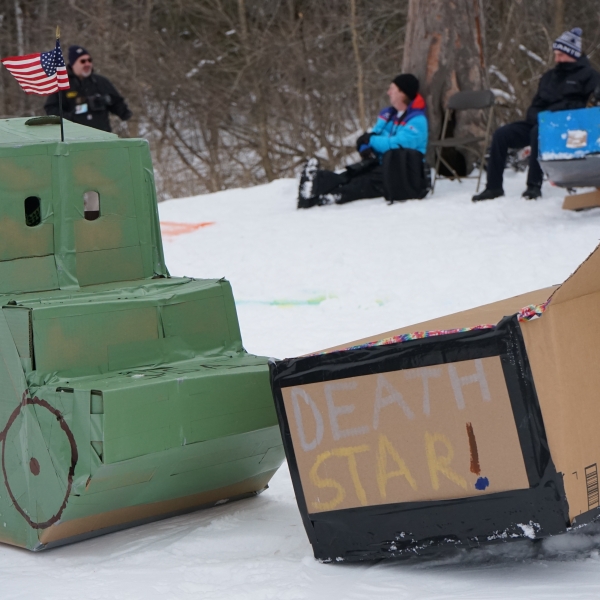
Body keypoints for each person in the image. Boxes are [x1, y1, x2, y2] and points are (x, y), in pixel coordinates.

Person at [473, 28, 600, 202]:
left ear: (573, 54)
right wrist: (536, 116)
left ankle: (533, 185)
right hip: (541, 120)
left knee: (538, 133)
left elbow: (591, 104)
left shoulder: (589, 76)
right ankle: (493, 187)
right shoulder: (549, 77)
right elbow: (536, 103)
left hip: (566, 126)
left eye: (561, 55)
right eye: (555, 54)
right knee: (502, 134)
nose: (557, 59)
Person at [298, 74, 429, 208]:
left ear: (403, 93)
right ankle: (314, 182)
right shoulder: (391, 115)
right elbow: (374, 135)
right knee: (351, 174)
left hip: (403, 173)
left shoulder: (417, 121)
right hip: (383, 164)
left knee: (362, 184)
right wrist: (365, 145)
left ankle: (324, 198)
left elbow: (394, 145)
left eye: (392, 89)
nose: (388, 92)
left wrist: (371, 140)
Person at [44, 45, 132, 133]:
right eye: (83, 61)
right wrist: (71, 117)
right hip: (75, 136)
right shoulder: (62, 83)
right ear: (73, 64)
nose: (87, 64)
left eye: (89, 60)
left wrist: (107, 100)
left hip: (102, 136)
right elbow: (51, 109)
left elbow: (120, 106)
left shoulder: (100, 82)